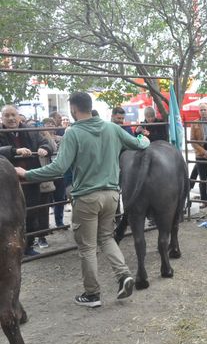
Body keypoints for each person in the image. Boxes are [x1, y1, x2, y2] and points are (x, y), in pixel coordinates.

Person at [15, 92, 150, 308]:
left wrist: (27, 174)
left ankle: (92, 294)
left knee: (87, 247)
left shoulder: (73, 133)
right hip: (112, 195)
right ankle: (123, 275)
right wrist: (144, 137)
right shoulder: (112, 128)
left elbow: (59, 167)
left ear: (75, 109)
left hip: (87, 197)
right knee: (106, 238)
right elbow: (139, 144)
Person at [0, 105, 54, 256]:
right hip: (7, 184)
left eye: (13, 115)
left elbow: (46, 143)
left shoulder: (29, 130)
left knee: (31, 213)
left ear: (18, 116)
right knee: (10, 216)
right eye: (7, 115)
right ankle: (10, 248)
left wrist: (45, 148)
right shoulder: (0, 132)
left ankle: (28, 245)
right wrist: (14, 151)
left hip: (29, 180)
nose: (11, 118)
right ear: (2, 118)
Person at [189, 103, 207, 208]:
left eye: (204, 109)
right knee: (202, 178)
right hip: (200, 154)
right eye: (201, 110)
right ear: (198, 111)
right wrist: (204, 152)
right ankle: (204, 201)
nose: (203, 112)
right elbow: (193, 141)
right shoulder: (195, 124)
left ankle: (187, 189)